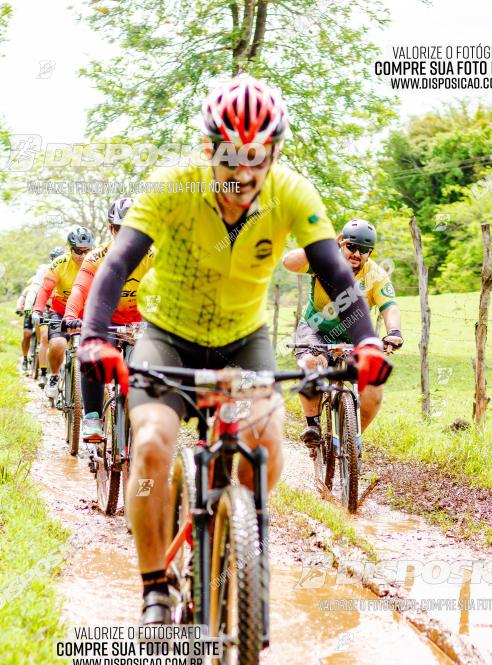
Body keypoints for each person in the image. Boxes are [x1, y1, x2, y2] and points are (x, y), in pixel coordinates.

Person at [77, 75, 391, 626]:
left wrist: (366, 339)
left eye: (258, 159)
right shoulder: (171, 185)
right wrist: (94, 337)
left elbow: (337, 273)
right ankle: (155, 584)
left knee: (265, 444)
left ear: (274, 152)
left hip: (243, 343)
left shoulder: (292, 193)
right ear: (208, 149)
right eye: (231, 159)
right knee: (150, 447)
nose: (244, 175)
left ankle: (234, 537)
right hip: (167, 336)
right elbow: (117, 264)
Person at [284, 218, 403, 447]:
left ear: (371, 253)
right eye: (351, 246)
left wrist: (394, 331)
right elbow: (289, 262)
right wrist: (321, 246)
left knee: (374, 387)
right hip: (316, 330)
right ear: (342, 244)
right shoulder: (324, 262)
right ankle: (313, 425)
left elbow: (390, 307)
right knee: (310, 364)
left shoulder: (376, 275)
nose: (357, 254)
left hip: (354, 335)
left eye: (365, 250)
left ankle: (352, 438)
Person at [63, 198, 154, 442]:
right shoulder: (96, 257)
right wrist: (71, 315)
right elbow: (80, 290)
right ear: (111, 229)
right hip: (108, 322)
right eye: (120, 229)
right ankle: (93, 417)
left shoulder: (156, 257)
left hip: (139, 324)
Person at [31, 229, 94, 399]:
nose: (82, 255)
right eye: (77, 251)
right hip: (60, 311)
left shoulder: (98, 262)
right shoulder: (60, 263)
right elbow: (45, 289)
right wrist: (37, 310)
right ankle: (54, 376)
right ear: (70, 248)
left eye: (86, 251)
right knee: (58, 344)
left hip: (87, 313)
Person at [15, 249, 63, 372]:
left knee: (47, 337)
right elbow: (24, 298)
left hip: (50, 308)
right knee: (27, 334)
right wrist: (23, 308)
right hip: (34, 309)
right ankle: (26, 358)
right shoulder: (37, 281)